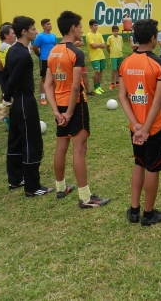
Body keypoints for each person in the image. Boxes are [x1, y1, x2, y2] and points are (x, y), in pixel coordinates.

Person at [45, 11, 110, 209]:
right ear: (73, 28)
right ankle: (85, 197)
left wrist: (57, 112)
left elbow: (48, 85)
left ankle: (60, 187)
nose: (82, 29)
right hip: (75, 106)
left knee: (61, 146)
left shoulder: (53, 51)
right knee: (79, 150)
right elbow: (75, 86)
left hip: (60, 106)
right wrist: (70, 113)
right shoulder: (76, 53)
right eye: (81, 26)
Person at [118, 19, 161, 227]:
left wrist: (137, 126)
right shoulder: (159, 64)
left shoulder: (126, 62)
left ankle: (134, 210)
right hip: (154, 126)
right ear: (152, 38)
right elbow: (157, 101)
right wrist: (146, 129)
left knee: (139, 163)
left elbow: (122, 96)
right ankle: (148, 214)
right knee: (152, 167)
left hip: (136, 127)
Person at [1, 16, 54, 197]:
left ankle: (15, 179)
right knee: (32, 142)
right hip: (24, 101)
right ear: (24, 32)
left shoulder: (12, 50)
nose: (36, 31)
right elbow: (13, 78)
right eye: (33, 29)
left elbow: (4, 75)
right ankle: (32, 187)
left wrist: (6, 99)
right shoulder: (23, 53)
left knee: (15, 140)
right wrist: (6, 99)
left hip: (16, 101)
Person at [32, 19, 57, 105]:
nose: (50, 25)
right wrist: (40, 55)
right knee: (44, 78)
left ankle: (54, 95)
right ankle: (43, 98)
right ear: (43, 26)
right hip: (44, 59)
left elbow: (54, 47)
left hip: (53, 59)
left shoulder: (53, 36)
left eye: (50, 24)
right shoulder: (40, 36)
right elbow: (35, 48)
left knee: (54, 78)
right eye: (47, 24)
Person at [86, 19, 106, 94]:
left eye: (97, 25)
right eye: (95, 25)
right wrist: (99, 44)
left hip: (101, 55)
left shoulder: (99, 34)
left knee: (101, 71)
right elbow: (93, 46)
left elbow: (103, 45)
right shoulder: (88, 35)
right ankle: (95, 87)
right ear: (91, 26)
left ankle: (98, 86)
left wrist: (98, 45)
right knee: (97, 72)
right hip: (94, 57)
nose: (96, 27)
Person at [106, 25, 124, 90]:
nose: (116, 32)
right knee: (114, 69)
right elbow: (107, 47)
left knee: (119, 69)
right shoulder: (110, 38)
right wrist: (110, 53)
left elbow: (121, 45)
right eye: (115, 31)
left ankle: (117, 82)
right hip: (113, 56)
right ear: (112, 32)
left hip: (120, 55)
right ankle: (112, 83)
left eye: (117, 31)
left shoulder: (120, 37)